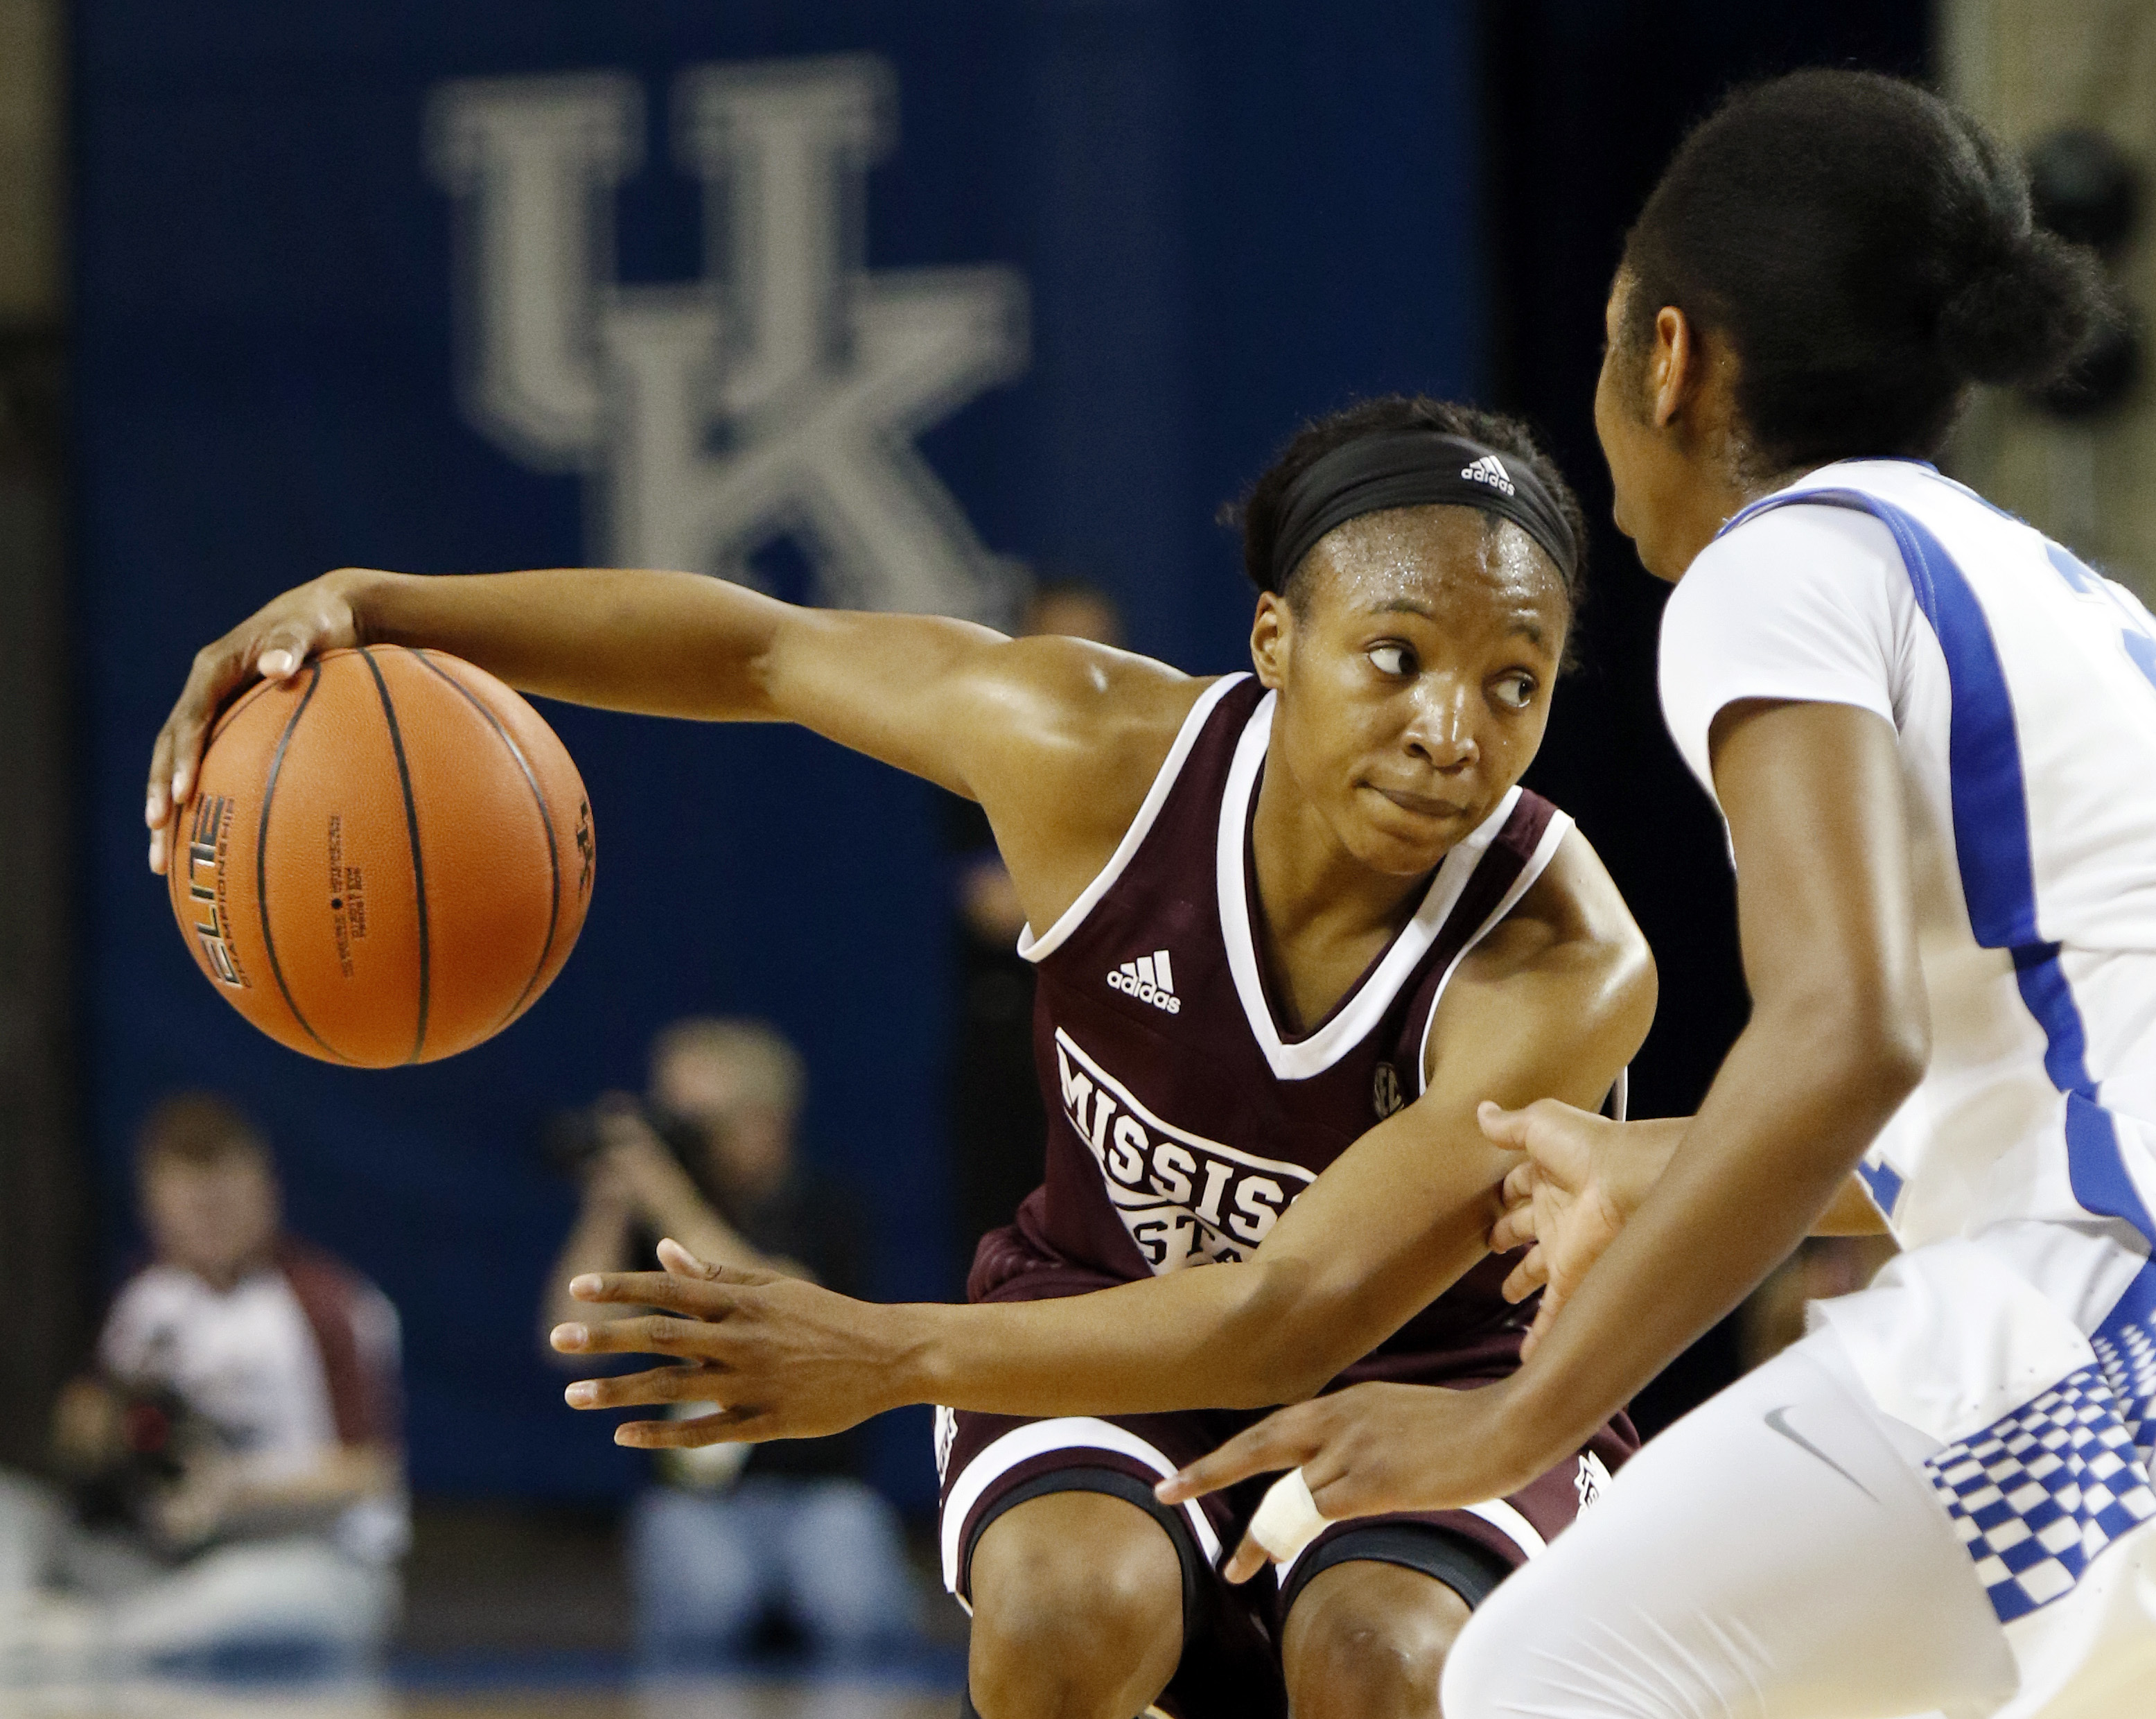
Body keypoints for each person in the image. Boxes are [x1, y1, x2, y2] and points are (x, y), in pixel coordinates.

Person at [145, 392, 1656, 1719]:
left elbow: (1284, 1314)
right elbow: (757, 652)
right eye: (1395, 657)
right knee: (1069, 1615)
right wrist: (382, 605)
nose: (1455, 729)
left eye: (1513, 683)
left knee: (1377, 1657)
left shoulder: (1560, 957)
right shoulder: (1091, 754)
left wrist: (877, 1352)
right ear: (1277, 638)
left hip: (1452, 1377)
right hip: (1105, 1314)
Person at [1158, 70, 2156, 1719]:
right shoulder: (2031, 582)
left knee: (1544, 1669)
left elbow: (1845, 1032)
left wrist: (1513, 1418)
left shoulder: (1782, 561)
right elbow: (2021, 1075)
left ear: (1668, 354)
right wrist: (1655, 1166)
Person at [540, 1016, 919, 1662]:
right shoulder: (656, 1217)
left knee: (860, 1615)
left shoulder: (825, 1208)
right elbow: (567, 1340)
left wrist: (667, 1197)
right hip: (696, 1497)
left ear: (764, 1122)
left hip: (818, 1488)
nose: (681, 1146)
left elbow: (783, 1309)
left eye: (695, 1126)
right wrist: (611, 1202)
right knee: (703, 1608)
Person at [0, 1094, 405, 1673]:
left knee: (257, 1589)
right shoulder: (146, 1305)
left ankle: (73, 1645)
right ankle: (33, 1628)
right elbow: (105, 1434)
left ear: (266, 1190)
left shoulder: (327, 1303)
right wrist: (98, 1440)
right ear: (153, 1203)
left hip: (297, 1559)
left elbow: (369, 1473)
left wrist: (232, 1493)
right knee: (11, 1509)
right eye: (191, 1204)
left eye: (224, 1200)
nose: (208, 1220)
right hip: (161, 1561)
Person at [946, 579, 1128, 1276]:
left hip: (1119, 1050)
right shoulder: (977, 754)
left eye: (1101, 647)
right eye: (1061, 646)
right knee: (1005, 1253)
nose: (1083, 665)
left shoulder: (1152, 759)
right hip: (1011, 1058)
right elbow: (992, 904)